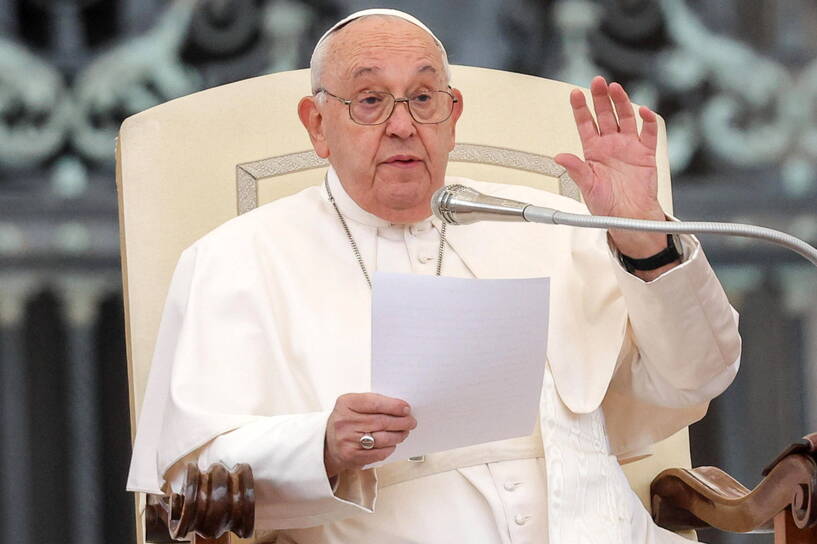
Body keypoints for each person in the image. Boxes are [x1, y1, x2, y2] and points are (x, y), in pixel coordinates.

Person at [126, 8, 741, 543]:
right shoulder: (236, 260)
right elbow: (191, 481)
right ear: (317, 125)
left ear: (452, 114)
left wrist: (645, 238)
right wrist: (321, 445)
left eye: (423, 99)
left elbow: (698, 377)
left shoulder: (553, 223)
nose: (402, 125)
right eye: (370, 101)